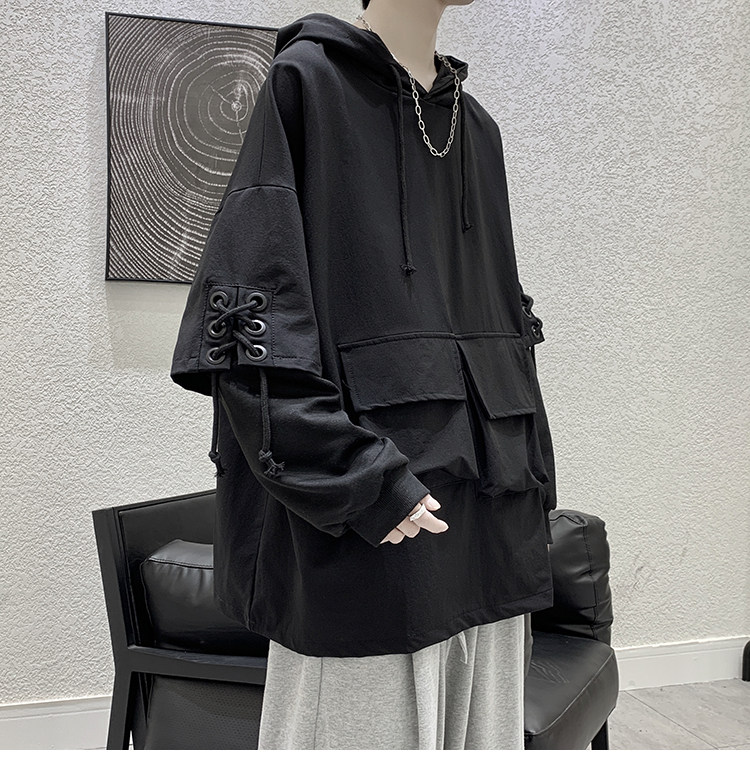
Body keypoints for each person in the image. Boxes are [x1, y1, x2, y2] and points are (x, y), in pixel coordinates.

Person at [170, 0, 556, 750]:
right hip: (367, 531)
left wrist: (534, 481)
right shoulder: (306, 84)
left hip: (491, 524)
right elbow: (252, 325)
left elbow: (506, 328)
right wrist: (357, 478)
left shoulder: (478, 131)